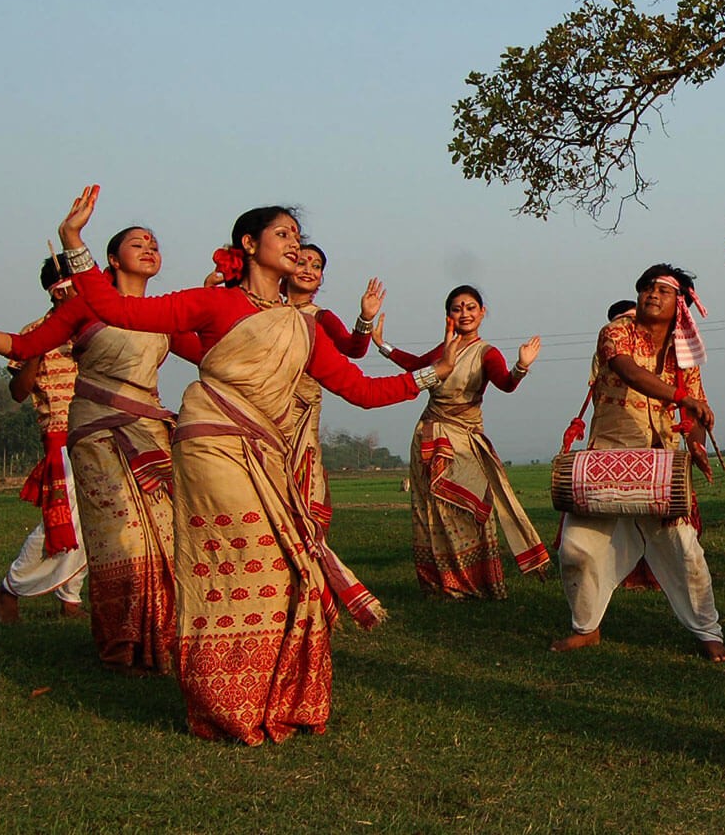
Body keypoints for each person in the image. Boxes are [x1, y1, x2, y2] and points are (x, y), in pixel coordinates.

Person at [54, 186, 465, 744]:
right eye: (283, 235)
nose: (295, 246)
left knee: (284, 573)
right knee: (235, 564)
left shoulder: (302, 326)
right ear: (248, 245)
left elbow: (361, 390)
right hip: (212, 442)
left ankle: (267, 695)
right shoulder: (215, 303)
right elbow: (118, 308)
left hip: (266, 450)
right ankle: (222, 701)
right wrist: (74, 241)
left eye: (297, 237)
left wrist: (430, 374)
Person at [0, 225, 196, 674]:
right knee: (114, 533)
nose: (149, 249)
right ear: (112, 259)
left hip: (148, 430)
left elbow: (210, 352)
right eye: (136, 244)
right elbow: (22, 352)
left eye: (155, 244)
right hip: (89, 432)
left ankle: (161, 634)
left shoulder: (164, 311)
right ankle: (122, 642)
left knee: (162, 532)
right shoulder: (80, 310)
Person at [552, 264, 725, 661]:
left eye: (663, 290)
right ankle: (586, 628)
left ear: (680, 305)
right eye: (647, 288)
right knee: (576, 549)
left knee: (686, 551)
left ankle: (707, 632)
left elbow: (695, 414)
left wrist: (697, 443)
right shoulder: (615, 333)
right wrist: (683, 399)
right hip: (608, 457)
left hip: (660, 465)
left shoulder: (685, 357)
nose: (651, 294)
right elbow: (627, 370)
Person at [377, 284, 550, 598]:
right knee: (432, 509)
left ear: (483, 313)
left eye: (471, 308)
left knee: (471, 507)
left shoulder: (487, 353)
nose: (465, 314)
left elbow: (506, 384)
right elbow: (416, 366)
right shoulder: (443, 351)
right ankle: (442, 583)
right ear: (448, 316)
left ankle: (476, 580)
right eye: (457, 308)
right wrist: (382, 345)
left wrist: (521, 366)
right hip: (430, 435)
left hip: (465, 437)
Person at [0, 255, 88, 624]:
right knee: (60, 520)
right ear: (56, 290)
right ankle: (11, 586)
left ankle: (70, 595)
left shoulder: (96, 328)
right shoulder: (34, 332)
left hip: (99, 427)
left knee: (97, 516)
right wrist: (35, 351)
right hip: (61, 432)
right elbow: (18, 391)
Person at [282, 243, 382, 534]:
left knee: (302, 488)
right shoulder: (266, 310)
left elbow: (353, 348)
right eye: (302, 262)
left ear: (321, 278)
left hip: (300, 413)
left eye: (316, 266)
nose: (308, 270)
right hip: (262, 407)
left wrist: (365, 317)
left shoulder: (320, 317)